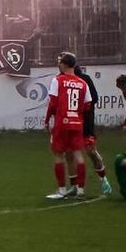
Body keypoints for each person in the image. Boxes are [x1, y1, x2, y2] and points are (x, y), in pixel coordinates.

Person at [44, 52, 90, 200]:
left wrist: (47, 120)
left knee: (59, 155)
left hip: (61, 123)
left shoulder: (58, 80)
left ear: (63, 64)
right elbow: (87, 105)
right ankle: (80, 189)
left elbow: (53, 103)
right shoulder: (83, 83)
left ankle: (62, 190)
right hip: (76, 123)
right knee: (78, 155)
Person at [72, 60, 112, 195]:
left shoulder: (85, 80)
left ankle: (104, 180)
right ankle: (76, 186)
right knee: (72, 154)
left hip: (86, 123)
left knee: (91, 152)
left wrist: (81, 106)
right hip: (71, 123)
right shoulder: (63, 80)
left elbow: (94, 98)